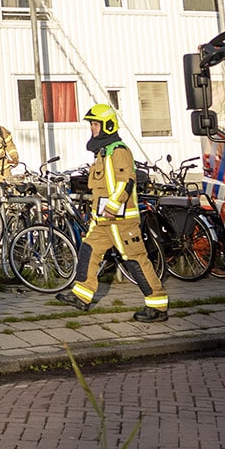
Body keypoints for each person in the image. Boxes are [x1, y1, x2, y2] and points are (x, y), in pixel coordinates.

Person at [69, 103, 168, 322]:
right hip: (104, 220)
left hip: (121, 221)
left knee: (135, 260)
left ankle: (158, 306)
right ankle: (81, 296)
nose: (92, 128)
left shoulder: (118, 151)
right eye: (92, 124)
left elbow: (126, 183)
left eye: (95, 124)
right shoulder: (103, 152)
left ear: (107, 125)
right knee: (89, 250)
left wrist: (112, 207)